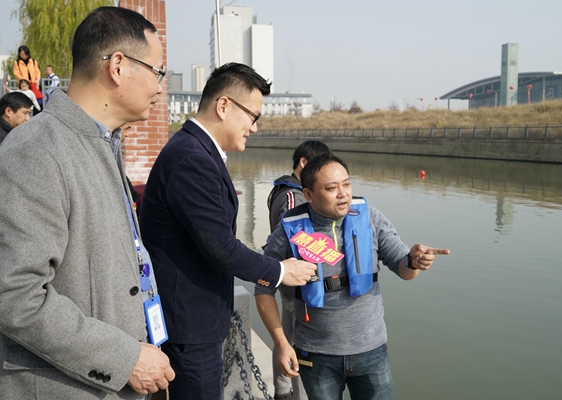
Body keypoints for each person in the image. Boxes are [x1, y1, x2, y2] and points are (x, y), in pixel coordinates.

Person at [0, 6, 175, 399]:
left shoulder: (103, 143)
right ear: (118, 66)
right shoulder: (35, 151)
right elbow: (14, 294)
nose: (160, 86)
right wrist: (124, 358)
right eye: (157, 72)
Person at [139, 62, 317, 399]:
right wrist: (280, 271)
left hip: (196, 319)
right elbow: (220, 247)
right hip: (190, 326)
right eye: (253, 116)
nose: (254, 127)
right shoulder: (192, 158)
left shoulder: (197, 151)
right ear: (224, 106)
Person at [255, 153, 450, 400]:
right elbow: (263, 287)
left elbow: (403, 269)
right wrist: (281, 343)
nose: (343, 194)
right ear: (308, 194)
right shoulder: (289, 229)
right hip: (316, 355)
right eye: (331, 188)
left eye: (346, 184)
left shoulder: (369, 218)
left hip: (371, 351)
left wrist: (413, 261)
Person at [264, 140, 331, 400]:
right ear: (304, 163)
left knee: (287, 338)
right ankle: (292, 394)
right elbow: (298, 242)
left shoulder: (281, 189)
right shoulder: (294, 196)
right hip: (296, 283)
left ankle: (282, 392)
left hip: (288, 280)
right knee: (300, 347)